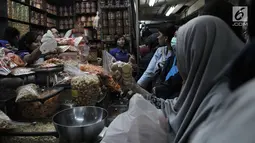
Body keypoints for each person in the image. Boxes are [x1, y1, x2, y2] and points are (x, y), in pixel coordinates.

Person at [146, 16, 243, 143]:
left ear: (197, 57)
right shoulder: (202, 92)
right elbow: (172, 108)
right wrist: (134, 87)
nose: (180, 66)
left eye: (183, 56)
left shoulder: (222, 106)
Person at [137, 24, 176, 91]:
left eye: (159, 34)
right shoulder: (160, 51)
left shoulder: (177, 53)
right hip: (158, 88)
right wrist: (137, 87)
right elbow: (149, 72)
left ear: (166, 38)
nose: (157, 37)